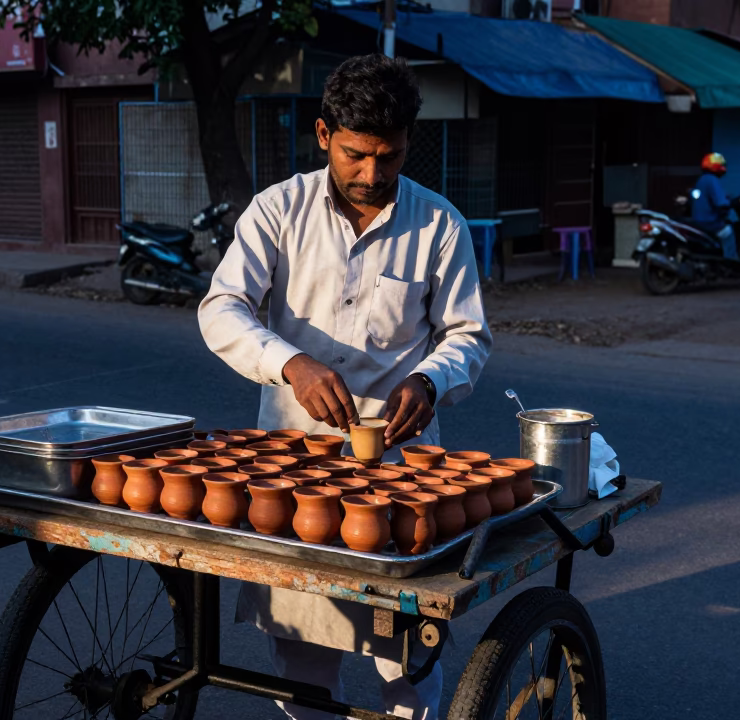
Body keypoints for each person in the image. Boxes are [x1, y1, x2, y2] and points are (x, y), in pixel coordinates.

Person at [197, 54, 491, 720]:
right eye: (356, 155)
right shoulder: (279, 210)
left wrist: (431, 379)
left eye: (388, 158)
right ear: (324, 134)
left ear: (407, 144)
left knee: (409, 659)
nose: (372, 174)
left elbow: (469, 337)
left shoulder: (439, 225)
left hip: (402, 473)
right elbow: (221, 308)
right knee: (303, 654)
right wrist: (289, 364)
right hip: (294, 469)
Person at [691, 152, 737, 260]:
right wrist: (730, 203)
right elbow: (720, 203)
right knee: (728, 232)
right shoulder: (712, 180)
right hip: (709, 222)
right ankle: (730, 262)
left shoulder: (702, 179)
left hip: (698, 221)